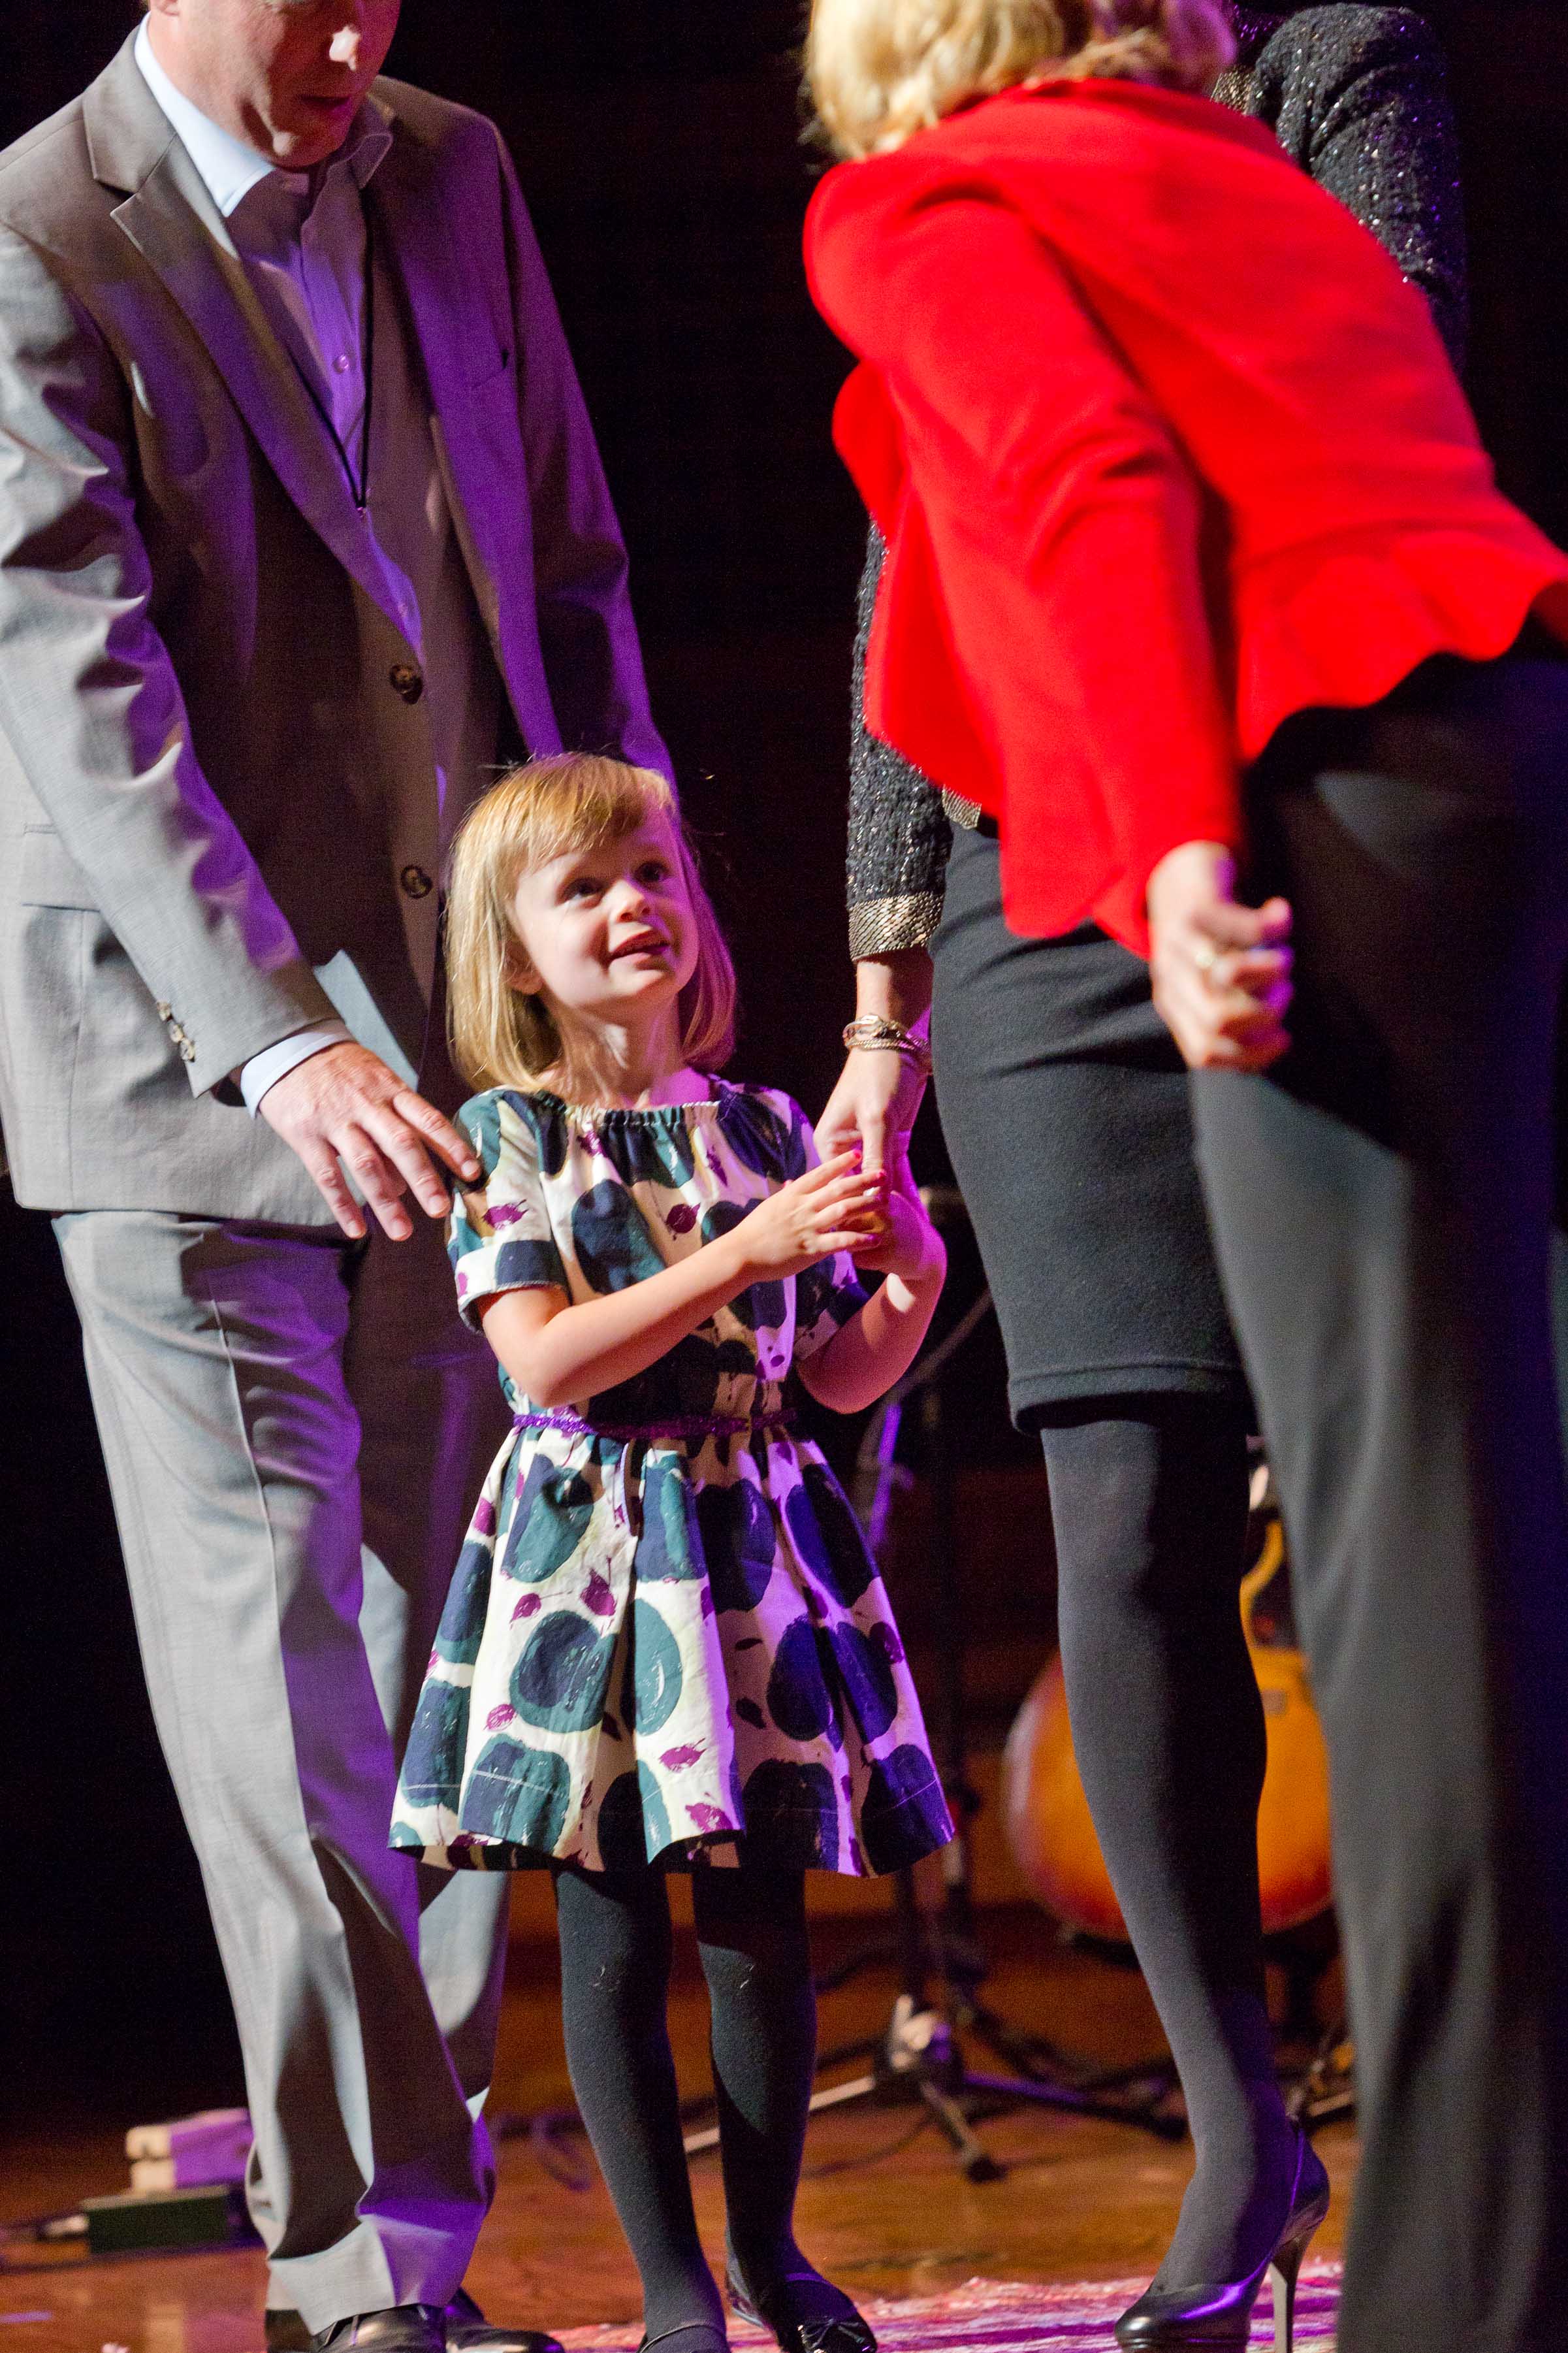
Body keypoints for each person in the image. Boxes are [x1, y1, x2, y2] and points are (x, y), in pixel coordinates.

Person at [801, 3, 1568, 2351]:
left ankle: (1472, 2290)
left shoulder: (920, 198)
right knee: (1457, 1535)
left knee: (1401, 1581)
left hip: (1277, 781)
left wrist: (1173, 851)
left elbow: (1090, 483)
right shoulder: (1208, 154)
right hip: (1474, 741)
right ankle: (1448, 2235)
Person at [0, 4, 667, 2348]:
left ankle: (405, 2234)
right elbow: (77, 693)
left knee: (447, 1661)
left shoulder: (449, 166)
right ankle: (364, 2259)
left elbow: (565, 572)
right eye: (308, 1)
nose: (356, 41)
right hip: (190, 1074)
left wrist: (626, 942)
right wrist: (278, 1032)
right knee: (281, 1675)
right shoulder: (38, 233)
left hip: (467, 1056)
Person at [390, 753, 953, 2353]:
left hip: (747, 1546)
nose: (632, 905)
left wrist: (906, 1276)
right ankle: (671, 2291)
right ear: (516, 958)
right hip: (592, 1564)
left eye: (652, 874)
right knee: (614, 1926)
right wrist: (739, 1252)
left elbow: (830, 1375)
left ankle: (772, 2255)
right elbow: (546, 1361)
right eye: (582, 890)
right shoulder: (507, 1137)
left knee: (763, 1922)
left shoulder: (766, 1124)